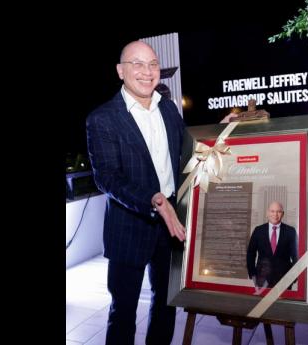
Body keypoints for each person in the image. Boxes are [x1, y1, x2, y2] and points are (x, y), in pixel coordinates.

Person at [86, 40, 236, 345]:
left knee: (166, 305)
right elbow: (107, 178)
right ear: (120, 71)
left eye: (152, 64)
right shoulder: (102, 119)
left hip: (171, 228)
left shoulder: (167, 108)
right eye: (137, 64)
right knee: (123, 311)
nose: (147, 71)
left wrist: (219, 131)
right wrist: (153, 199)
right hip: (129, 228)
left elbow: (186, 153)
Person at [246, 201, 298, 293]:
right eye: (272, 211)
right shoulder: (258, 230)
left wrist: (294, 277)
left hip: (284, 279)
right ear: (267, 213)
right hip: (262, 278)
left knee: (282, 306)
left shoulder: (291, 231)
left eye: (278, 211)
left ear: (283, 214)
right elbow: (251, 253)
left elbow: (295, 256)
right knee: (262, 305)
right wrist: (253, 274)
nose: (275, 214)